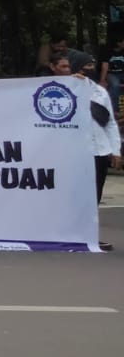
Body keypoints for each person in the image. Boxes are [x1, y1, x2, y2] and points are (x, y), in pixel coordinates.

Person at [57, 58, 121, 250]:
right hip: (74, 152)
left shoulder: (100, 92)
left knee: (94, 196)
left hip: (99, 151)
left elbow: (109, 122)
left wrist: (115, 150)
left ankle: (89, 234)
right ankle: (67, 233)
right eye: (84, 68)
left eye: (92, 68)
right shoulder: (63, 89)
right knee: (73, 194)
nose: (88, 71)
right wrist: (73, 86)